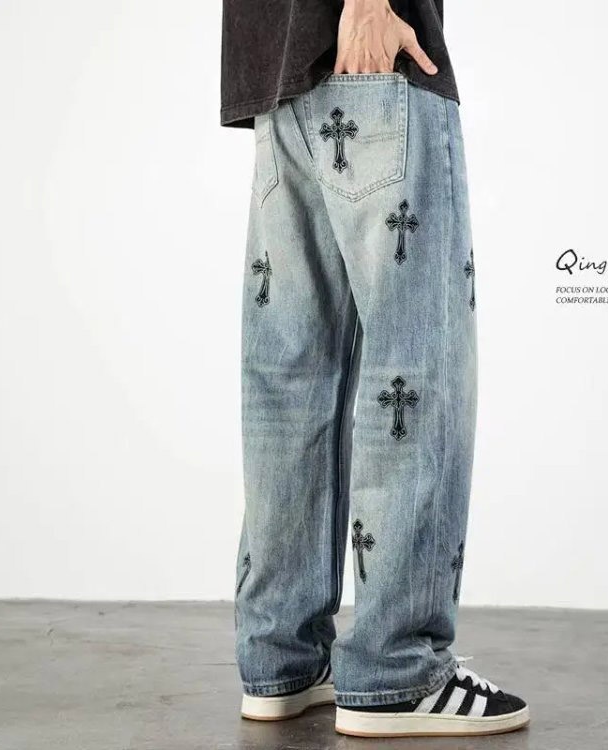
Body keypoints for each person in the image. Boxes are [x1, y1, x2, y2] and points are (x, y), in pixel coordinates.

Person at [221, 0, 529, 737]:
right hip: (373, 53)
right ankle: (396, 670)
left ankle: (282, 656)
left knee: (290, 379)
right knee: (418, 366)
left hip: (274, 70)